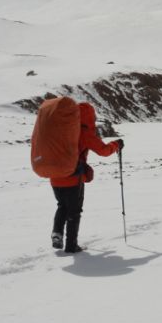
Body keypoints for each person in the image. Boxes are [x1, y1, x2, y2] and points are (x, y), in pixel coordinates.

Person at [50, 102, 122, 253]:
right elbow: (103, 151)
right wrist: (116, 144)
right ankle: (71, 246)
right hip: (73, 178)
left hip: (55, 175)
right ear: (89, 117)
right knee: (74, 211)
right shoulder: (83, 133)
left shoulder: (63, 129)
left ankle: (57, 233)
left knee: (62, 205)